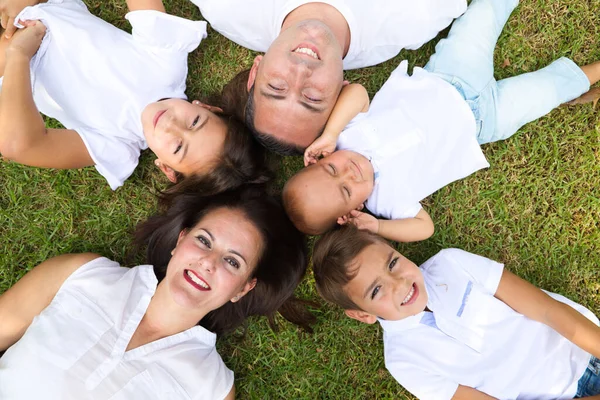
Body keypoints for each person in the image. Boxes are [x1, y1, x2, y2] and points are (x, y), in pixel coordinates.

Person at [282, 0, 600, 239]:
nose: (348, 173)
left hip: (451, 72)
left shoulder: (344, 138)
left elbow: (359, 94)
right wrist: (378, 226)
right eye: (346, 191)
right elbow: (425, 228)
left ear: (319, 160)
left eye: (332, 169)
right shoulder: (387, 202)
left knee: (484, 16)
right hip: (486, 121)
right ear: (348, 215)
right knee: (548, 91)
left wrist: (329, 133)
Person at [0, 183, 311, 399]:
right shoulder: (83, 274)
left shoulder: (210, 389)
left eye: (232, 261)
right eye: (204, 240)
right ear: (180, 241)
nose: (207, 263)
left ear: (243, 289)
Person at [0, 0, 269, 191]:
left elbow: (19, 145)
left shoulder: (116, 146)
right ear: (208, 107)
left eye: (177, 147)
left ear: (166, 168)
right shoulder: (167, 63)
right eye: (195, 122)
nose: (170, 125)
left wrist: (19, 55)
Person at [312, 224, 600, 399]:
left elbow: (550, 310)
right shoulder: (402, 361)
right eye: (376, 291)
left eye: (392, 264)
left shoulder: (451, 264)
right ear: (363, 314)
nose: (399, 283)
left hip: (585, 351)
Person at [191, 0, 468, 155]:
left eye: (277, 86)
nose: (301, 72)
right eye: (311, 96)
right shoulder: (415, 18)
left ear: (256, 71)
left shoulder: (228, 8)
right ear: (341, 92)